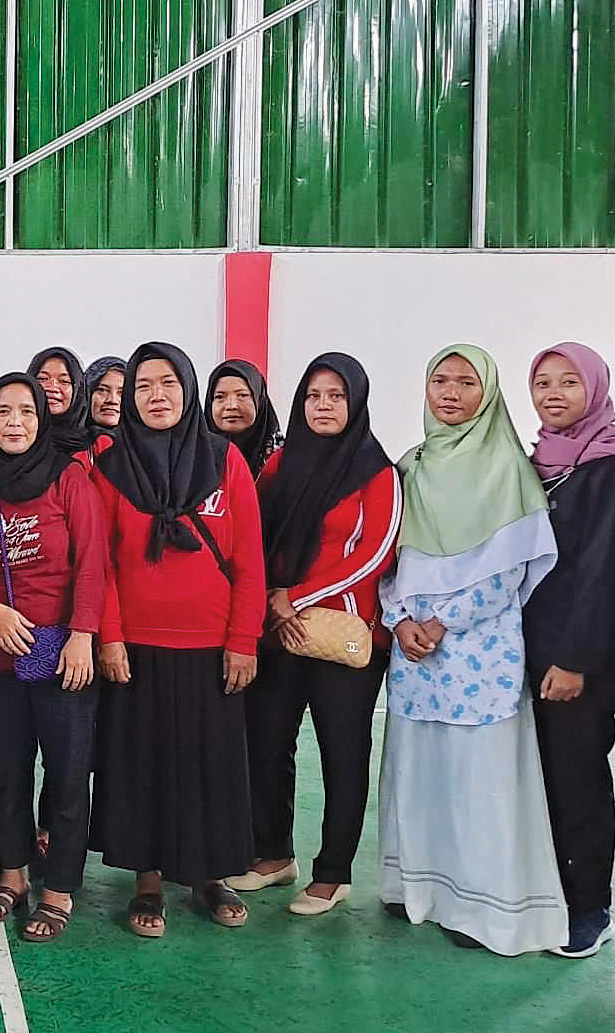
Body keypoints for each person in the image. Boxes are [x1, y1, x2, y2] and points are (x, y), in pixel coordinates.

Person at [377, 345, 565, 955]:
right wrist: (401, 619)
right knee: (423, 774)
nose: (451, 392)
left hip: (479, 656)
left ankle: (486, 909)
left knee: (479, 782)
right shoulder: (409, 467)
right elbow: (387, 559)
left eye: (466, 382)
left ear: (487, 393)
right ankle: (422, 891)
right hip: (415, 658)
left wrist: (441, 622)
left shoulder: (509, 470)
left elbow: (508, 572)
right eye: (440, 380)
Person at [90, 343, 266, 937]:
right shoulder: (111, 466)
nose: (156, 396)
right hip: (136, 647)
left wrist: (243, 638)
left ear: (187, 390)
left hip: (212, 647)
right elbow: (102, 563)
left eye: (167, 383)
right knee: (142, 765)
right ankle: (146, 883)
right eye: (143, 387)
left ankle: (209, 876)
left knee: (209, 767)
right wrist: (109, 636)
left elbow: (249, 559)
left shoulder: (225, 463)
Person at [233, 354, 398, 918]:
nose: (323, 406)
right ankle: (273, 854)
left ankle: (334, 873)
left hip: (344, 637)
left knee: (342, 754)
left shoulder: (376, 471)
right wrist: (267, 603)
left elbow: (376, 553)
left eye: (335, 396)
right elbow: (250, 532)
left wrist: (295, 597)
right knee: (268, 743)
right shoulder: (280, 462)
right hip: (279, 633)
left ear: (355, 403)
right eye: (313, 396)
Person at [0, 373, 106, 942]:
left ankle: (59, 889)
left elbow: (92, 563)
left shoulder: (70, 480)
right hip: (2, 657)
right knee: (5, 770)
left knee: (68, 775)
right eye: (3, 412)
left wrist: (82, 634)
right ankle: (14, 874)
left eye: (25, 411)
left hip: (65, 654)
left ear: (42, 420)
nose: (14, 422)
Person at [521, 343, 615, 958]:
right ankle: (541, 897)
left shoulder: (611, 468)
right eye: (543, 382)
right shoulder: (536, 462)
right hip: (523, 652)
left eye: (569, 382)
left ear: (594, 389)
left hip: (576, 660)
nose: (554, 393)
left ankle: (587, 908)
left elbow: (604, 572)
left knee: (577, 781)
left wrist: (573, 660)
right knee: (535, 780)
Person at [206, 359, 281, 477]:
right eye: (220, 397)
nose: (231, 406)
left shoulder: (283, 458)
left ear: (259, 401)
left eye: (242, 395)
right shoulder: (195, 454)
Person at [28, 346, 96, 458]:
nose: (52, 387)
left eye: (64, 381)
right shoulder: (13, 438)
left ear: (77, 390)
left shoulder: (96, 448)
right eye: (43, 379)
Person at [86, 356, 126, 439]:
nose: (112, 400)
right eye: (102, 390)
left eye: (121, 393)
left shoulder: (146, 447)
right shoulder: (62, 443)